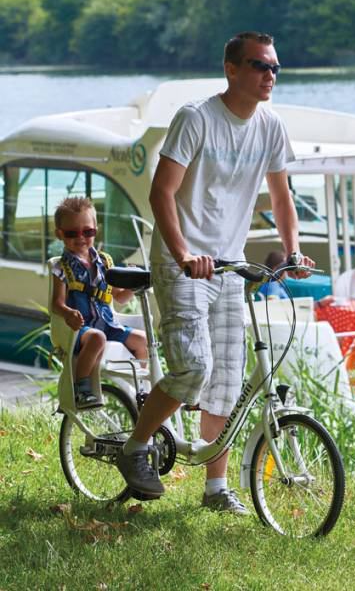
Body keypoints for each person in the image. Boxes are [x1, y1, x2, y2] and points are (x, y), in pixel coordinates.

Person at [116, 31, 313, 513]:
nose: (269, 76)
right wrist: (183, 252)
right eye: (259, 66)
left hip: (227, 264)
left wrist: (293, 252)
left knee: (226, 377)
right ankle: (135, 448)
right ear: (231, 69)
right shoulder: (196, 119)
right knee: (193, 369)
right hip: (183, 261)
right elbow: (162, 193)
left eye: (275, 68)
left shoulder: (270, 125)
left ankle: (215, 489)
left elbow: (282, 196)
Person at [50, 196, 148, 408]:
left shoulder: (104, 262)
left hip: (107, 323)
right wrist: (68, 313)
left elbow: (118, 297)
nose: (81, 238)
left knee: (142, 339)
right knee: (97, 338)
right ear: (60, 234)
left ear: (96, 229)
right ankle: (82, 389)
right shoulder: (61, 267)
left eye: (88, 232)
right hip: (80, 330)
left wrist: (133, 283)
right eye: (71, 233)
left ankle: (143, 389)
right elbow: (55, 304)